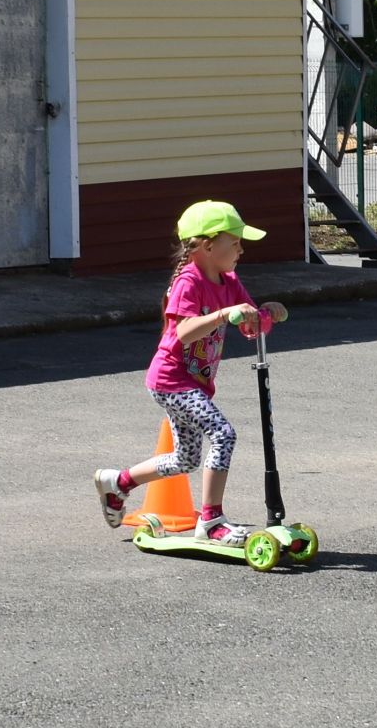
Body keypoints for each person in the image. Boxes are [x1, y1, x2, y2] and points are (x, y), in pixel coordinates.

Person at [94, 201, 287, 546]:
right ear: (207, 246)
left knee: (186, 458)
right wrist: (224, 315)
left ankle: (118, 483)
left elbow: (247, 324)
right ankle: (212, 521)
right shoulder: (189, 282)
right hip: (171, 379)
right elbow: (184, 332)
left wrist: (264, 315)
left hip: (195, 383)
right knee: (223, 434)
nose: (242, 250)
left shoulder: (228, 280)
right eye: (236, 242)